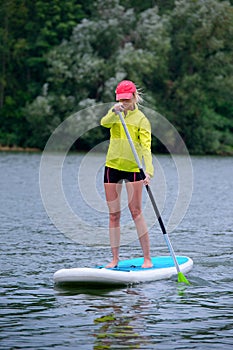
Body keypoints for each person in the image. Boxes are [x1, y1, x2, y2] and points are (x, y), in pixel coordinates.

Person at [100, 80, 154, 268]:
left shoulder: (142, 120)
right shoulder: (115, 114)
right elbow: (103, 123)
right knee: (114, 214)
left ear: (134, 97)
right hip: (112, 166)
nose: (123, 103)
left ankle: (147, 258)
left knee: (136, 212)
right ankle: (115, 259)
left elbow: (146, 148)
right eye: (120, 99)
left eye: (126, 99)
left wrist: (149, 171)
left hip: (133, 169)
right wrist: (113, 112)